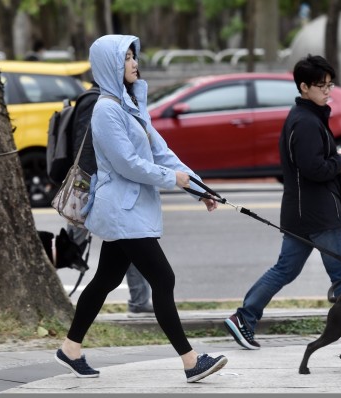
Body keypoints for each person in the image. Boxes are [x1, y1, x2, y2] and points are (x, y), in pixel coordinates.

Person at [54, 34, 228, 383]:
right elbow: (128, 164)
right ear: (110, 65)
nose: (134, 63)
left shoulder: (130, 105)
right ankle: (191, 361)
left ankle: (70, 348)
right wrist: (174, 179)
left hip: (131, 210)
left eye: (134, 57)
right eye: (127, 58)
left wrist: (199, 188)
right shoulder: (105, 110)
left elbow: (162, 153)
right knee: (163, 277)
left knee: (106, 279)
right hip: (121, 210)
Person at [224, 54, 341, 351]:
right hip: (319, 213)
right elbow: (312, 168)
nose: (328, 90)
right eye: (321, 85)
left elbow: (312, 161)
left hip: (302, 213)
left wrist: (336, 158)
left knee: (285, 270)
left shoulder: (307, 118)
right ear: (304, 87)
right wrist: (339, 161)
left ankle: (244, 318)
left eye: (330, 84)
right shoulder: (305, 122)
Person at [67, 81, 153, 317]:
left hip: (99, 188)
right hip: (93, 189)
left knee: (120, 253)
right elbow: (87, 150)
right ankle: (44, 288)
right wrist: (93, 190)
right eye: (125, 58)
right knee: (69, 248)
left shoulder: (104, 100)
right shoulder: (99, 103)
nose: (134, 65)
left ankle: (139, 299)